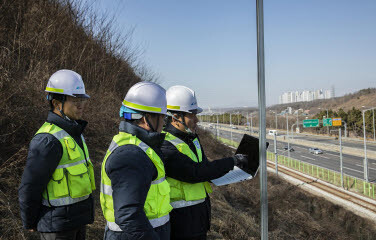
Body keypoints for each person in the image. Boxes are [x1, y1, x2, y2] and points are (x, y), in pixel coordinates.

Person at [160, 85, 248, 240]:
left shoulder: (192, 138)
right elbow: (196, 172)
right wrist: (232, 161)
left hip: (199, 217)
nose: (196, 120)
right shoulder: (164, 145)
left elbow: (205, 167)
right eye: (191, 115)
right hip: (180, 222)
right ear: (175, 117)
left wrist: (229, 173)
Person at [18, 69, 96, 240]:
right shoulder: (48, 140)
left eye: (82, 99)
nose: (80, 104)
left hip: (76, 221)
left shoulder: (74, 132)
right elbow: (30, 186)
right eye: (74, 99)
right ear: (56, 103)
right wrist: (30, 221)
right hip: (57, 227)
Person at [100, 81, 172, 240]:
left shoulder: (136, 147)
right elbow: (128, 215)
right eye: (162, 118)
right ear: (147, 120)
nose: (163, 125)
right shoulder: (131, 155)